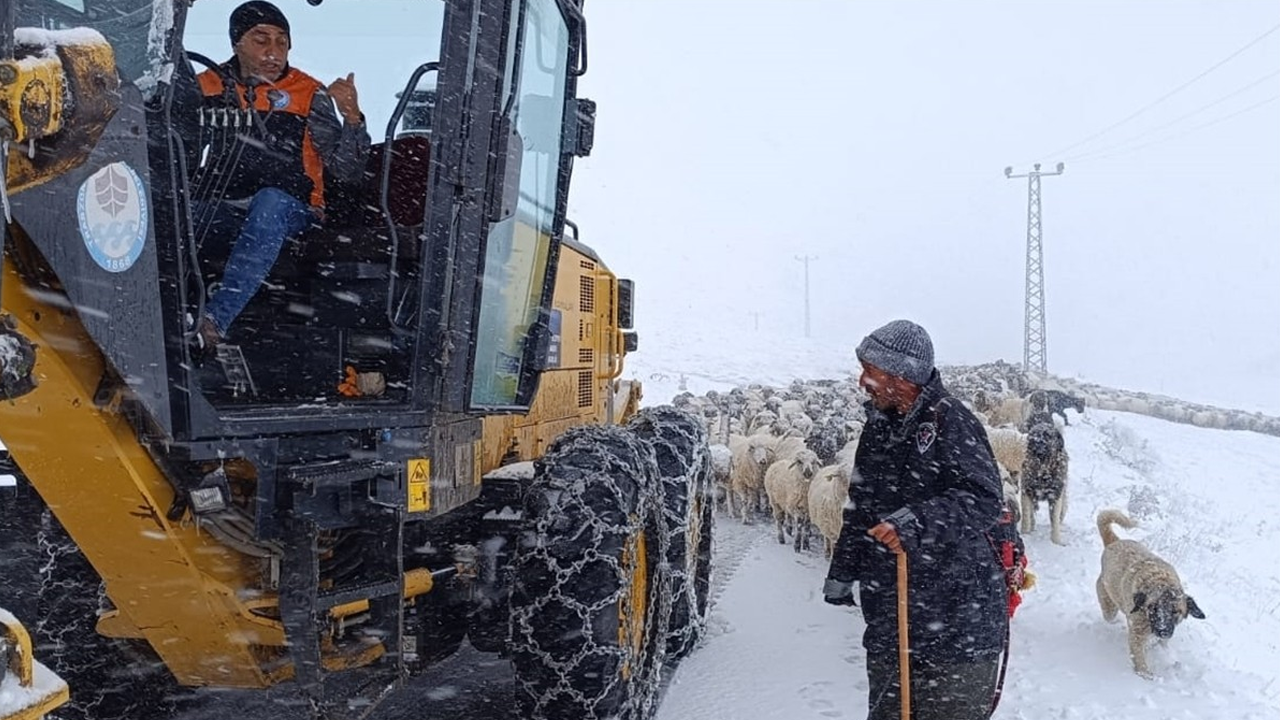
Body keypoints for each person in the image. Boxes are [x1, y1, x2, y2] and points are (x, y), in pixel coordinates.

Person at [823, 319, 1007, 720]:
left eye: (870, 372)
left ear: (901, 377)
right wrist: (843, 570)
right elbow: (861, 504)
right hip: (893, 618)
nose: (861, 382)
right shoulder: (879, 427)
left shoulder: (952, 424)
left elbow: (984, 498)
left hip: (957, 624)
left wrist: (915, 523)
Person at [193, 1, 371, 348]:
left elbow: (347, 170)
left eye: (282, 42)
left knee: (270, 202)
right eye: (261, 40)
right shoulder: (205, 87)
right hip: (224, 208)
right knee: (168, 212)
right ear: (236, 43)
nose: (273, 52)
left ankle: (215, 322)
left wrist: (352, 118)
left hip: (294, 211)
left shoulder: (308, 93)